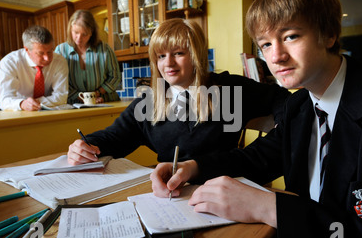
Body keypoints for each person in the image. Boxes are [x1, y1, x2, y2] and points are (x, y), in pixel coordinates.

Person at [151, 0, 362, 238]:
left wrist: (266, 206)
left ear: (328, 34)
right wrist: (193, 167)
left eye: (290, 36)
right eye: (265, 44)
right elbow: (257, 159)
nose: (276, 56)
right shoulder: (298, 106)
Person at [67, 18, 290, 167]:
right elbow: (114, 137)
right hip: (168, 192)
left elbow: (283, 99)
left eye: (178, 53)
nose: (168, 64)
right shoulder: (150, 102)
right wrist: (85, 145)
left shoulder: (228, 89)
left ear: (196, 54)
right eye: (161, 56)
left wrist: (282, 125)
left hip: (221, 187)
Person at [55, 9, 121, 104]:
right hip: (73, 104)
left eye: (84, 34)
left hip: (105, 101)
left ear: (91, 32)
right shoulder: (60, 51)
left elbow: (115, 77)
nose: (79, 38)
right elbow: (59, 81)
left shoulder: (105, 49)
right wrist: (81, 97)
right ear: (70, 29)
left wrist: (96, 94)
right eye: (75, 32)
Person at [0, 25, 68, 111]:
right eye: (41, 53)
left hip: (48, 112)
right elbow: (4, 100)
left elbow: (61, 96)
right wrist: (22, 104)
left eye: (50, 51)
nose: (47, 58)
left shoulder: (59, 61)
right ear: (27, 50)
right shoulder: (9, 63)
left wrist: (36, 102)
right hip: (18, 113)